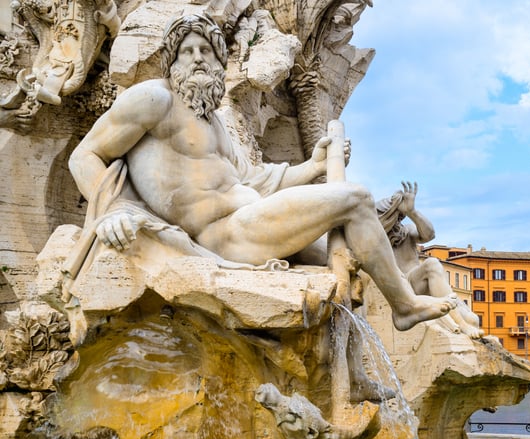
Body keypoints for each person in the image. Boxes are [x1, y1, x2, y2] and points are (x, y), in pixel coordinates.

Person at [67, 14, 457, 333]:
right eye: (187, 52)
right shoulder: (154, 99)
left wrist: (315, 166)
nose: (198, 58)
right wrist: (112, 209)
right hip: (224, 235)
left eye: (206, 50)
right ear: (173, 62)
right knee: (355, 198)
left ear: (220, 62)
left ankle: (373, 335)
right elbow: (85, 155)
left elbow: (254, 181)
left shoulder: (214, 123)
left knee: (354, 259)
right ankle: (404, 306)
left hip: (250, 222)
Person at [376, 182, 483, 338]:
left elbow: (429, 235)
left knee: (473, 319)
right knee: (432, 263)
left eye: (399, 217)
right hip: (400, 287)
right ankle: (461, 324)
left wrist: (412, 212)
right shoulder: (375, 241)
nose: (396, 222)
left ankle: (462, 320)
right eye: (394, 216)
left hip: (419, 282)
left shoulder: (406, 231)